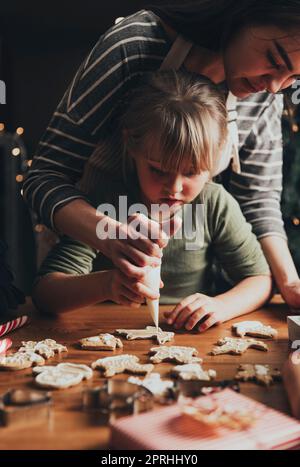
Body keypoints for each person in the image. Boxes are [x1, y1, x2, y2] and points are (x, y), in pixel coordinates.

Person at [24, 1, 300, 308]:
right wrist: (109, 236)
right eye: (275, 60)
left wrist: (290, 283)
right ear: (245, 12)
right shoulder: (134, 45)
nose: (275, 87)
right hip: (89, 240)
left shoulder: (264, 96)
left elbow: (259, 200)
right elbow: (44, 176)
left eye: (294, 78)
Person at [32, 71, 272, 332]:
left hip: (188, 339)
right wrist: (107, 285)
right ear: (131, 145)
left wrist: (222, 306)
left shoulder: (214, 204)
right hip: (103, 334)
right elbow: (46, 294)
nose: (175, 188)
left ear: (217, 155)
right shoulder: (108, 204)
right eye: (158, 170)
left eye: (191, 172)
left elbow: (259, 280)